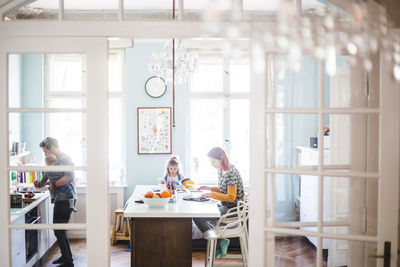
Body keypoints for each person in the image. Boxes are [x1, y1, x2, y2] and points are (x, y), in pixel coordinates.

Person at [193, 147, 244, 259]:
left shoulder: (231, 173)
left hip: (233, 209)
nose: (212, 164)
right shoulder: (221, 171)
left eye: (213, 161)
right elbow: (223, 189)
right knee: (201, 214)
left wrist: (211, 194)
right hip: (225, 206)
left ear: (221, 158)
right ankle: (220, 242)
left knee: (198, 217)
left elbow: (231, 197)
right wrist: (209, 188)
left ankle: (218, 243)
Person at [35, 137, 76, 267]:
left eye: (45, 151)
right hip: (60, 198)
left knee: (59, 229)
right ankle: (66, 257)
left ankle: (68, 261)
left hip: (66, 198)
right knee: (59, 229)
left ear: (52, 147)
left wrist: (52, 183)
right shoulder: (53, 161)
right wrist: (40, 184)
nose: (45, 154)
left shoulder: (65, 159)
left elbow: (68, 178)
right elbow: (49, 176)